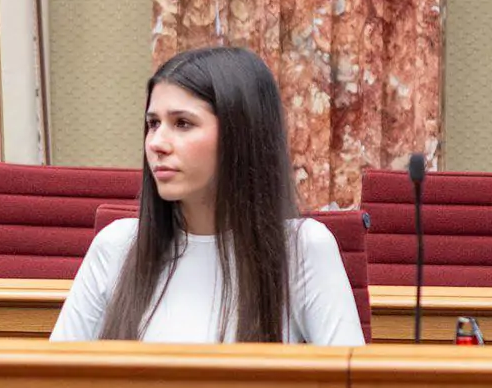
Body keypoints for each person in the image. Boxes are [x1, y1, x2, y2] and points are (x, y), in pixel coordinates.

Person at [50, 45, 364, 345]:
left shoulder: (302, 249)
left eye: (182, 123)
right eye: (153, 123)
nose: (156, 143)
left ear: (240, 134)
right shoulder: (116, 245)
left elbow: (351, 381)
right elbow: (52, 376)